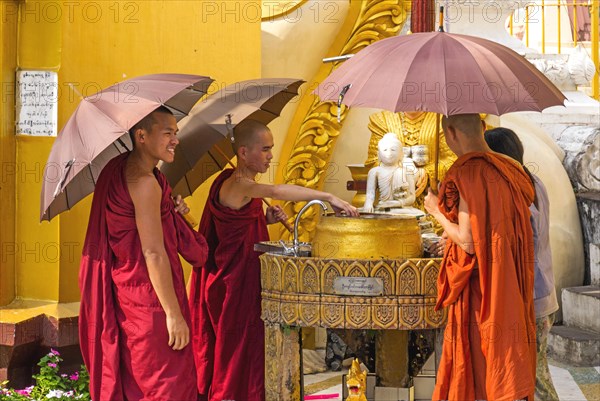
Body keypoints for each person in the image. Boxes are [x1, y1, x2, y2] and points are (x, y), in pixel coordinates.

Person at [189, 119, 358, 401]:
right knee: (237, 352)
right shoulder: (239, 183)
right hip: (234, 285)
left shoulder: (241, 185)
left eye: (271, 149)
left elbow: (237, 229)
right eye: (265, 150)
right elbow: (278, 191)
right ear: (243, 153)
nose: (270, 156)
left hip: (243, 279)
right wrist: (328, 196)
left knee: (245, 349)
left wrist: (263, 219)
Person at [79, 106, 208, 401]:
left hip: (128, 297)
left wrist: (171, 212)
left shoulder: (120, 169)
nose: (175, 140)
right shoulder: (145, 183)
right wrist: (173, 315)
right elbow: (153, 253)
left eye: (176, 133)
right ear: (141, 136)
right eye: (167, 133)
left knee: (138, 385)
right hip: (152, 302)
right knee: (166, 386)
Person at [423, 114, 536, 401]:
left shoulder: (469, 173)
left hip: (480, 289)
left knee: (478, 368)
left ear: (450, 133)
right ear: (483, 128)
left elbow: (468, 242)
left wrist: (436, 210)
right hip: (510, 281)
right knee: (502, 359)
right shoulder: (510, 168)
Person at [484, 127, 560, 401]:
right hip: (544, 293)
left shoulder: (519, 194)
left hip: (535, 298)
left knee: (536, 377)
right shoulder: (533, 181)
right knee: (529, 374)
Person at [362, 133, 416, 212]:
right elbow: (370, 195)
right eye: (385, 150)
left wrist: (395, 203)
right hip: (383, 207)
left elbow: (412, 197)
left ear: (401, 154)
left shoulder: (407, 171)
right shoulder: (375, 171)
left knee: (418, 216)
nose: (389, 153)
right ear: (378, 155)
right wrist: (368, 204)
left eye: (393, 150)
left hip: (401, 208)